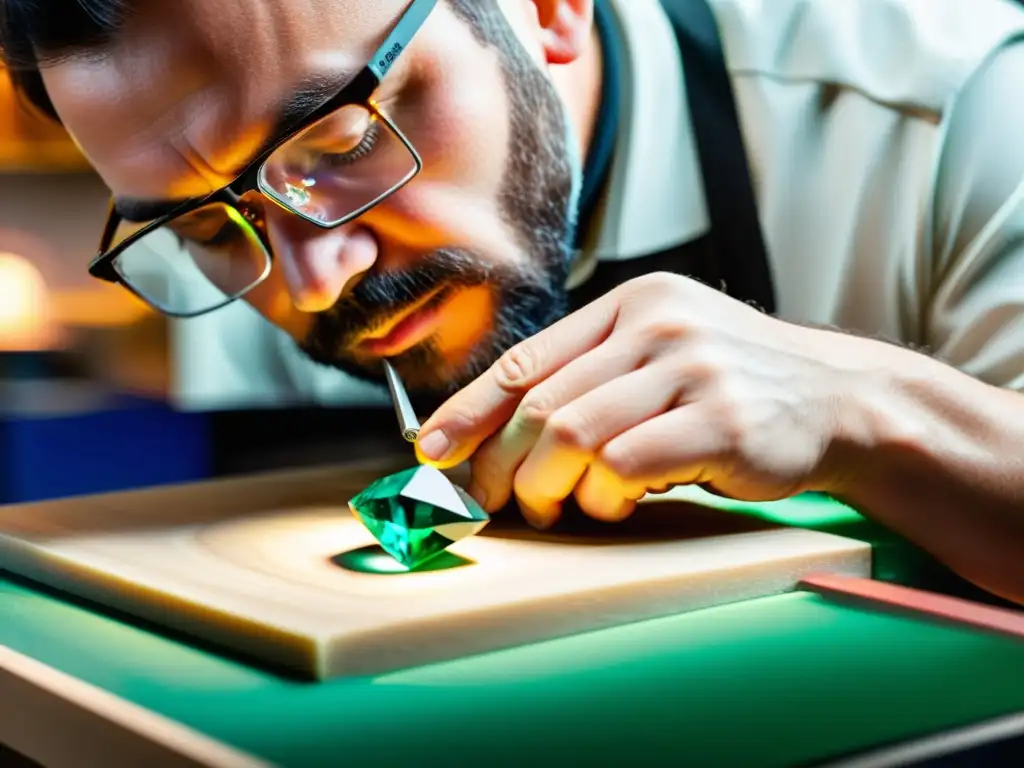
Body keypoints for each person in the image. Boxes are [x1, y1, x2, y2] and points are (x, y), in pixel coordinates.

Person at [1, 0, 1022, 603]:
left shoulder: (961, 107)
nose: (317, 280)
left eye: (341, 145)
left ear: (548, 9)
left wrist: (871, 414)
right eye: (208, 226)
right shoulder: (265, 272)